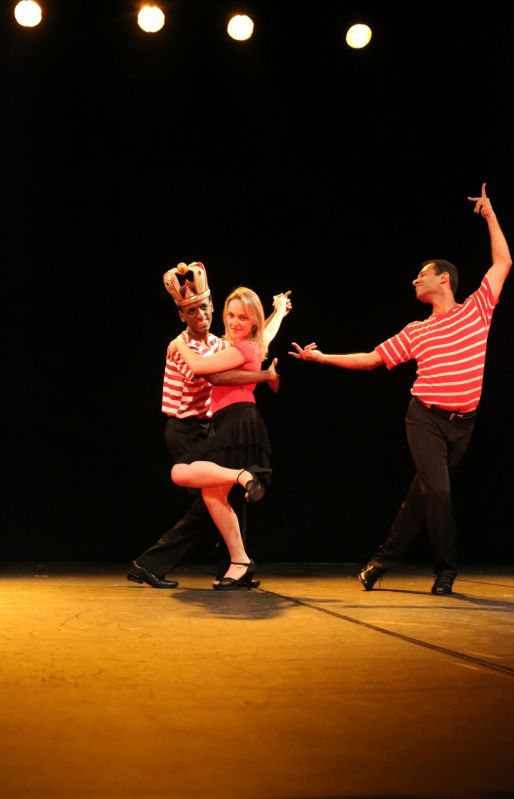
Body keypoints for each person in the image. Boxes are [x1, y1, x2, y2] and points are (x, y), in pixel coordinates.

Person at [289, 184, 511, 595]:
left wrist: (490, 215)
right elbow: (373, 358)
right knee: (439, 491)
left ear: (443, 279)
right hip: (424, 417)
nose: (414, 280)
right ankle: (445, 571)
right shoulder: (416, 331)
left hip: (463, 425)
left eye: (421, 275)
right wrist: (321, 359)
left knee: (423, 497)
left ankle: (381, 560)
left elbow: (504, 261)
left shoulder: (478, 308)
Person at [128, 261, 291, 589]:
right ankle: (157, 563)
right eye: (190, 311)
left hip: (212, 427)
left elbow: (255, 344)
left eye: (203, 308)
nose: (199, 315)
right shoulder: (181, 347)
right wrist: (264, 375)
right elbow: (212, 373)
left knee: (221, 496)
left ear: (212, 308)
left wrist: (278, 313)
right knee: (212, 497)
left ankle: (231, 565)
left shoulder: (219, 344)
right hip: (184, 428)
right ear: (182, 317)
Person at [168, 284, 286, 590]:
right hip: (239, 421)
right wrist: (281, 311)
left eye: (243, 318)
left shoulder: (241, 348)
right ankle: (240, 561)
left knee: (181, 472)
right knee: (212, 494)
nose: (234, 322)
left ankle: (241, 476)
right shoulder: (248, 347)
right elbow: (267, 336)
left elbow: (200, 368)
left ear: (253, 323)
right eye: (231, 315)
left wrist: (178, 344)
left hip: (237, 421)